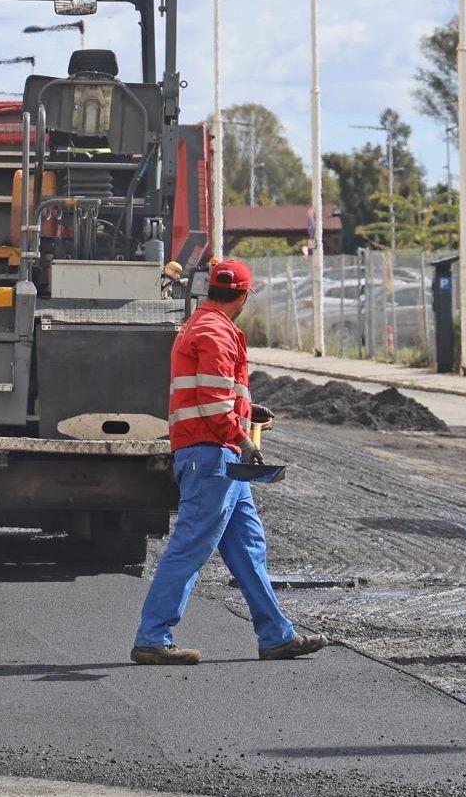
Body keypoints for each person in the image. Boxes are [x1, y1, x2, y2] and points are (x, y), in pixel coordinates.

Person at [131, 259, 325, 665]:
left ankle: (275, 635)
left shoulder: (204, 325)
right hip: (212, 456)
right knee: (189, 547)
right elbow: (213, 403)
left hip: (219, 456)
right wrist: (241, 438)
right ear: (242, 296)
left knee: (249, 548)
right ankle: (152, 636)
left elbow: (216, 395)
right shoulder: (216, 333)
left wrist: (247, 413)